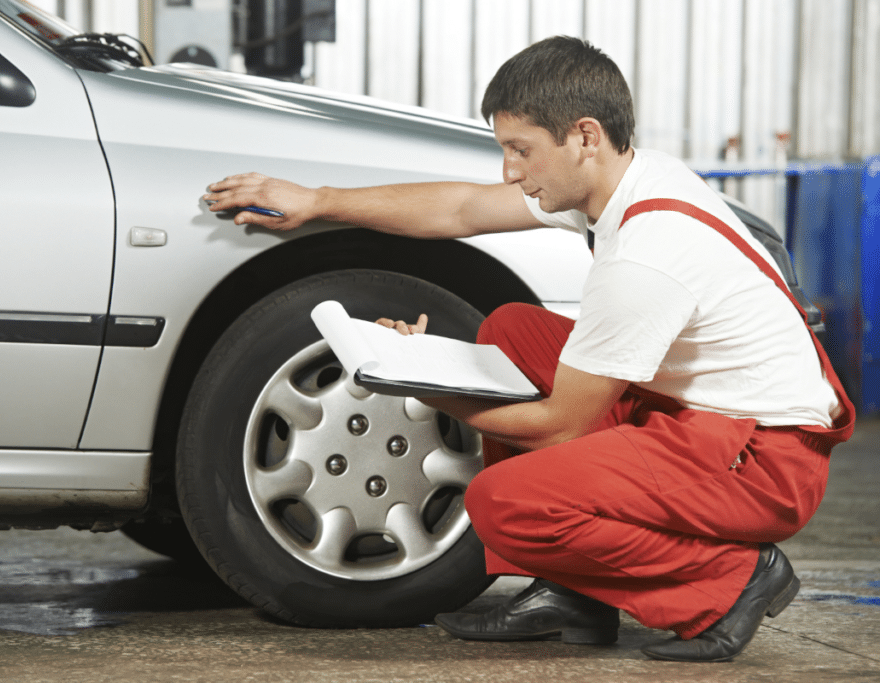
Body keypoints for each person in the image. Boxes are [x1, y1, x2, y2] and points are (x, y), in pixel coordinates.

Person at [203, 36, 855, 662]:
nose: (510, 171)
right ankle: (574, 594)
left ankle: (731, 579)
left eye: (520, 150)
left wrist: (431, 388)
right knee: (514, 330)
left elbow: (558, 424)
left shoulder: (645, 254)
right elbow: (461, 209)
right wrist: (318, 201)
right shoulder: (621, 179)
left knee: (502, 502)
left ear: (584, 136)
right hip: (711, 416)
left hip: (761, 459)